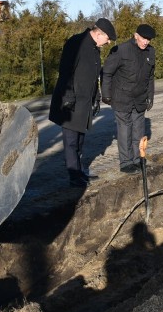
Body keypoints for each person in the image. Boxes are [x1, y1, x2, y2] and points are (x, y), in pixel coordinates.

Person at [49, 18, 116, 187]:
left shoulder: (94, 48)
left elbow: (93, 77)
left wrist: (96, 98)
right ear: (99, 33)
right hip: (70, 101)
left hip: (84, 101)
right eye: (107, 39)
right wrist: (68, 97)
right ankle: (74, 175)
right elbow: (66, 71)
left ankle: (79, 171)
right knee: (71, 140)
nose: (108, 42)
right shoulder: (76, 43)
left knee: (79, 139)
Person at [101, 23, 156, 173]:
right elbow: (107, 73)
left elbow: (150, 77)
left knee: (138, 129)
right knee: (125, 130)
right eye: (144, 38)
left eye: (149, 40)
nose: (146, 42)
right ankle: (126, 163)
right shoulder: (121, 50)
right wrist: (106, 94)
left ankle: (138, 160)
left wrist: (150, 96)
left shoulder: (150, 52)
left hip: (140, 98)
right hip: (122, 98)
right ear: (135, 35)